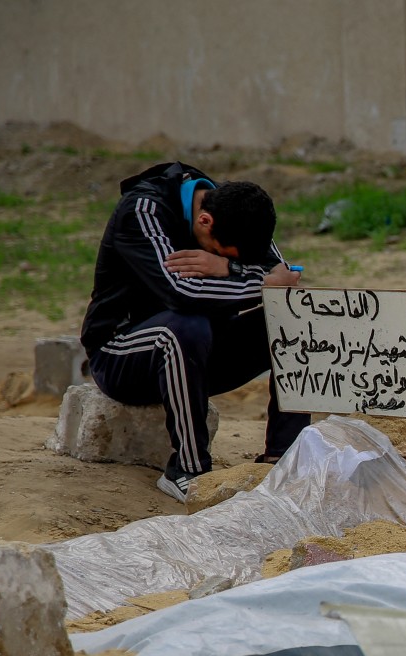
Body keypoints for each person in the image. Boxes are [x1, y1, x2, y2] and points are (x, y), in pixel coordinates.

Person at [80, 161, 311, 503]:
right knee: (185, 326)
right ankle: (188, 469)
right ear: (205, 222)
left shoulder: (234, 210)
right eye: (220, 252)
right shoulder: (143, 210)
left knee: (290, 316)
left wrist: (227, 266)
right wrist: (259, 280)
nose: (219, 258)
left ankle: (283, 456)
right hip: (122, 354)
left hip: (199, 352)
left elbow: (281, 276)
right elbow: (180, 293)